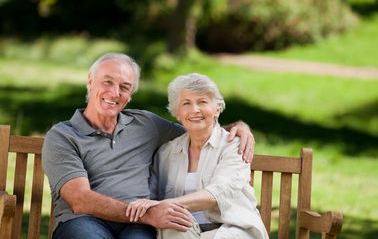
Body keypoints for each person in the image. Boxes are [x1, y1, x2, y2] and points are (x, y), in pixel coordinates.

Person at [42, 53, 255, 239]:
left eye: (124, 87)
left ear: (130, 95)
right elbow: (81, 200)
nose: (115, 93)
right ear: (90, 81)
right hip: (85, 220)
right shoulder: (63, 136)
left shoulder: (146, 124)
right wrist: (149, 213)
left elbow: (196, 128)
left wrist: (238, 126)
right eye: (107, 82)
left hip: (138, 225)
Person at [126, 73, 268, 239]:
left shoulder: (234, 146)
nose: (195, 110)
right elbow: (150, 196)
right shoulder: (166, 153)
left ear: (217, 109)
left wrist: (162, 204)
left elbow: (217, 193)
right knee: (171, 225)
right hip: (185, 230)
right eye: (186, 103)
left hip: (232, 229)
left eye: (202, 102)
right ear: (177, 113)